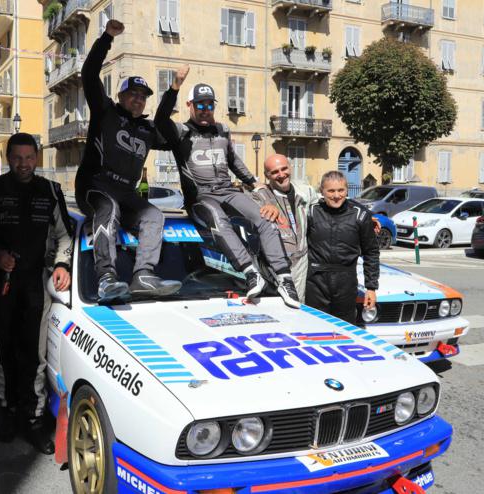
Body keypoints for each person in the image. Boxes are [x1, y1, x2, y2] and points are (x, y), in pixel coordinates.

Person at [154, 65, 300, 307]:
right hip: (201, 198)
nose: (205, 110)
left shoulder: (223, 130)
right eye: (199, 104)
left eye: (209, 104)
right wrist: (175, 86)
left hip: (228, 191)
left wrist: (254, 183)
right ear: (190, 105)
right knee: (218, 220)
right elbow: (160, 120)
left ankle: (285, 279)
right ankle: (250, 273)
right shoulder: (181, 132)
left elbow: (233, 161)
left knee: (265, 220)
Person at [0, 132, 72, 454]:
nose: (23, 164)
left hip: (36, 283)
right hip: (1, 281)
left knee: (35, 355)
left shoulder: (51, 190)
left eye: (29, 158)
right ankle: (8, 411)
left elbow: (66, 235)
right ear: (8, 158)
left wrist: (62, 265)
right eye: (17, 158)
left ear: (36, 158)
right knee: (3, 352)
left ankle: (35, 419)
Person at [75, 18, 181, 301]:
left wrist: (172, 93)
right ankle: (106, 278)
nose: (137, 99)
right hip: (95, 186)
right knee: (108, 207)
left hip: (126, 193)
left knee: (154, 215)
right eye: (131, 94)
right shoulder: (105, 111)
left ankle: (143, 276)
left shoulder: (148, 130)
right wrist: (107, 37)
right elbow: (89, 73)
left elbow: (171, 136)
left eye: (143, 96)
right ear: (120, 96)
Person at [305, 171, 380, 324]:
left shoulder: (360, 215)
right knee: (314, 327)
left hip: (346, 281)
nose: (336, 195)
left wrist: (371, 287)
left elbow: (371, 252)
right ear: (322, 191)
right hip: (315, 281)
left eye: (341, 190)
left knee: (343, 329)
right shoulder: (311, 212)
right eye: (331, 191)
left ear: (347, 190)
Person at [252, 154, 319, 302]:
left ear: (290, 168)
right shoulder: (259, 196)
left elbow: (328, 202)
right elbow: (247, 209)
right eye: (275, 172)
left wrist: (362, 214)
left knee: (297, 306)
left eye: (284, 169)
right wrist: (263, 206)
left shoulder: (305, 191)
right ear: (267, 175)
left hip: (300, 263)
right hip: (273, 267)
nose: (281, 174)